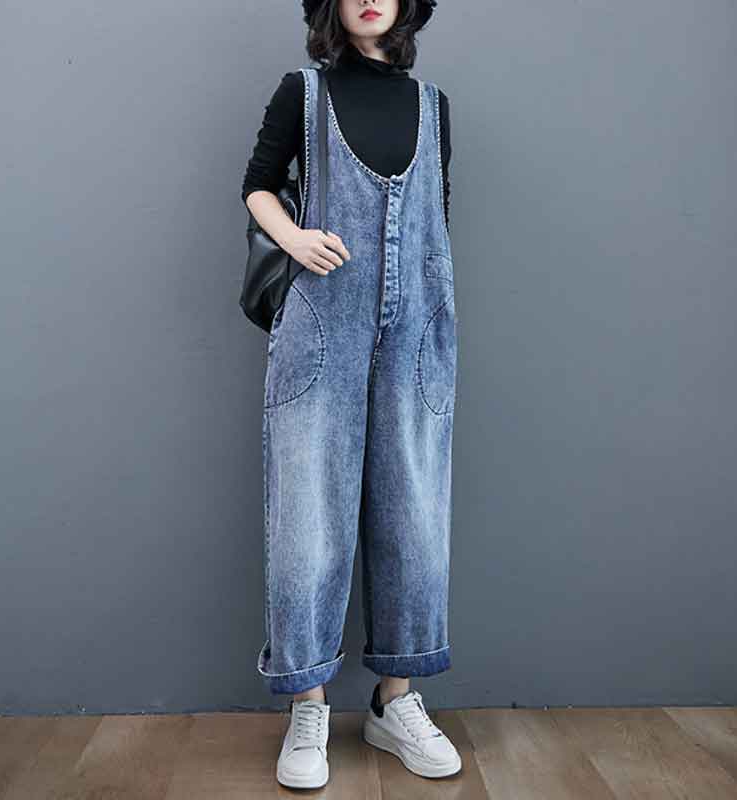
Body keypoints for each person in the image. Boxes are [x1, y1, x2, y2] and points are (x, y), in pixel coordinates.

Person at [241, 0, 460, 788]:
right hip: (321, 324)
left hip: (417, 331)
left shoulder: (433, 105)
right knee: (308, 517)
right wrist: (296, 239)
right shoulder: (302, 93)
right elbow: (257, 187)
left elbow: (434, 216)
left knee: (414, 513)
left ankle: (396, 702)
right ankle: (308, 706)